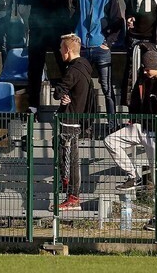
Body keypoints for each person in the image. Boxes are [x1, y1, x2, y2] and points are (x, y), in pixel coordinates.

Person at [104, 48, 157, 231]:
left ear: (155, 66)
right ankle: (134, 176)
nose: (144, 71)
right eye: (144, 68)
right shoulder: (142, 79)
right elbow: (135, 102)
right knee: (110, 140)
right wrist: (133, 118)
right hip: (140, 127)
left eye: (147, 68)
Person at [69, 0, 123, 123]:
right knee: (82, 88)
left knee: (107, 89)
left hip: (101, 48)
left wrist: (109, 42)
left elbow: (118, 21)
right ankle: (83, 124)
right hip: (82, 49)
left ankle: (112, 124)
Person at [53, 34, 95, 212]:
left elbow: (58, 91)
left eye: (62, 49)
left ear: (68, 51)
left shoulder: (73, 71)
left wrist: (60, 94)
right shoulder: (85, 67)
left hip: (70, 120)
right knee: (68, 157)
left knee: (70, 159)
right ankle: (69, 189)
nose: (60, 52)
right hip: (77, 118)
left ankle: (72, 195)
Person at [26, 0, 73, 114]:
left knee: (64, 65)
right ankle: (33, 104)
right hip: (38, 29)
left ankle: (67, 101)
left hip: (58, 28)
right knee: (35, 68)